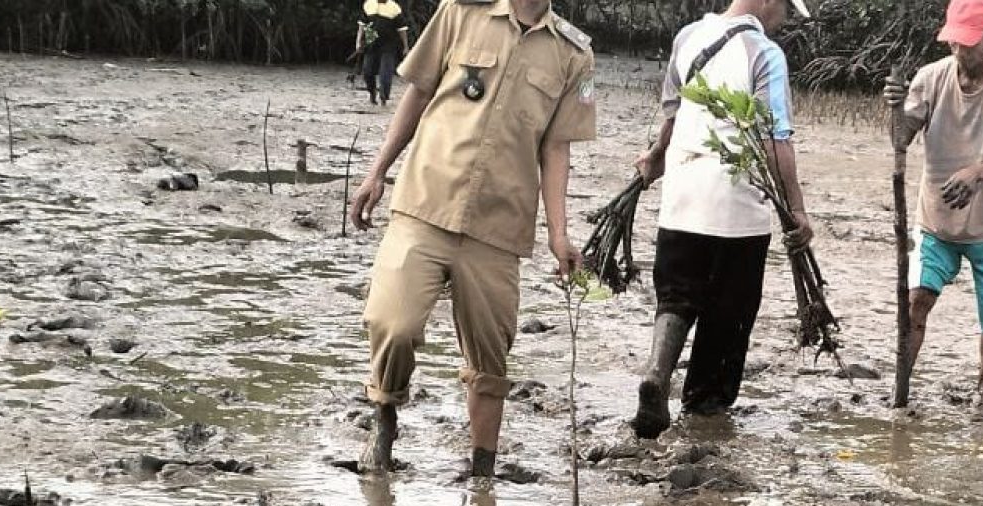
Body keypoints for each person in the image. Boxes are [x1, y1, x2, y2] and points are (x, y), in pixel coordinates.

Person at [348, 0, 598, 478]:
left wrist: (559, 234)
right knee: (391, 324)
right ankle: (384, 420)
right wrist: (377, 171)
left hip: (498, 226)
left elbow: (556, 147)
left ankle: (483, 470)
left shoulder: (574, 54)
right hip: (425, 202)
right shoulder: (461, 11)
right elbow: (419, 92)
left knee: (490, 357)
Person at [630, 0, 814, 440]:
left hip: (681, 194)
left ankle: (657, 371)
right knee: (728, 313)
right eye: (785, 10)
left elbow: (674, 114)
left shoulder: (688, 37)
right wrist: (796, 210)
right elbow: (775, 139)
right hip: (736, 204)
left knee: (676, 295)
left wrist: (656, 158)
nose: (784, 20)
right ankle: (704, 413)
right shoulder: (765, 53)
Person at [884, 0, 983, 405]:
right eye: (954, 42)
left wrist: (975, 172)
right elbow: (900, 139)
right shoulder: (930, 78)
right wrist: (895, 109)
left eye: (969, 43)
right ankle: (900, 391)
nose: (959, 51)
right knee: (916, 301)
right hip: (936, 222)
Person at [358, 0, 412, 106]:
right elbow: (362, 26)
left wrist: (406, 46)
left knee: (386, 72)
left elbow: (402, 29)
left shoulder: (394, 8)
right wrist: (358, 41)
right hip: (371, 43)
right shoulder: (368, 5)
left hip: (388, 45)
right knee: (367, 71)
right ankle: (372, 92)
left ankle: (384, 96)